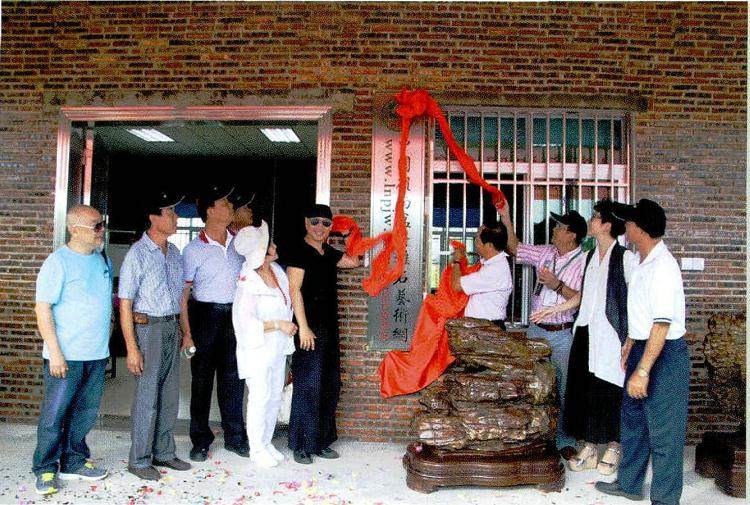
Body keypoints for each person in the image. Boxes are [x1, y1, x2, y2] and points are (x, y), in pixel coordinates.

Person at [531, 199, 635, 474]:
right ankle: (589, 447)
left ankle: (614, 445)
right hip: (586, 332)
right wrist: (554, 308)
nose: (591, 222)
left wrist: (631, 340)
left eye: (596, 218)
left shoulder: (625, 258)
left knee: (611, 391)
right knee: (584, 390)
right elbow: (583, 297)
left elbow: (634, 302)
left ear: (607, 225)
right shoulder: (590, 256)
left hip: (611, 336)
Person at [596, 199, 689, 505]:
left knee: (664, 433)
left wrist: (644, 370)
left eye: (631, 223)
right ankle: (630, 484)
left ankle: (664, 500)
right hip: (642, 347)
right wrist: (630, 344)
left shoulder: (663, 267)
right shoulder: (639, 260)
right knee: (633, 422)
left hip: (664, 356)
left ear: (641, 229)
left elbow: (662, 324)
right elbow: (642, 314)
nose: (627, 227)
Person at [32, 205, 112, 495]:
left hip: (96, 353)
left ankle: (74, 461)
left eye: (102, 224)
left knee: (85, 413)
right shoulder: (58, 262)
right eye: (96, 226)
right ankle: (44, 468)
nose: (101, 230)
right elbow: (43, 309)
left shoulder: (102, 259)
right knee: (55, 416)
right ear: (74, 229)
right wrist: (54, 352)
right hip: (65, 357)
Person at [499, 203, 587, 460]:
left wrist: (557, 285)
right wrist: (506, 217)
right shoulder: (546, 253)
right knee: (532, 386)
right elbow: (514, 248)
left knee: (562, 388)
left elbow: (584, 298)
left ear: (572, 234)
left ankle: (564, 441)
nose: (554, 229)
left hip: (561, 334)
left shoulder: (584, 262)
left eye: (559, 227)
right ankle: (534, 439)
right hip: (536, 331)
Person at [119, 190, 192, 481]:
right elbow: (125, 303)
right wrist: (132, 348)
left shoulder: (174, 253)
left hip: (171, 328)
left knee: (169, 395)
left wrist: (186, 333)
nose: (176, 218)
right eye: (170, 212)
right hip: (147, 329)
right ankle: (139, 459)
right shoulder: (137, 254)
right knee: (147, 396)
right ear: (153, 217)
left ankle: (164, 452)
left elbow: (182, 298)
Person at [285, 204, 360, 464]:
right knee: (307, 386)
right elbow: (294, 290)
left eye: (326, 224)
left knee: (330, 385)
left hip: (329, 328)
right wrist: (303, 327)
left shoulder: (328, 252)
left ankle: (321, 441)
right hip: (308, 329)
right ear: (306, 222)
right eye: (315, 221)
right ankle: (301, 445)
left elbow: (353, 261)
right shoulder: (298, 250)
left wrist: (350, 236)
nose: (320, 227)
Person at [181, 183, 249, 461]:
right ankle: (200, 440)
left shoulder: (241, 244)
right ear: (209, 210)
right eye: (224, 203)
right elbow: (183, 295)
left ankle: (235, 436)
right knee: (202, 382)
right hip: (204, 317)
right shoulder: (193, 250)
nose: (231, 207)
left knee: (234, 379)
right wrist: (187, 333)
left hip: (236, 316)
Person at [232, 221, 297, 467]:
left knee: (273, 396)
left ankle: (267, 441)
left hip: (278, 348)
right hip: (257, 348)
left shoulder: (278, 272)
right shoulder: (248, 280)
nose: (275, 246)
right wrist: (278, 324)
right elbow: (244, 321)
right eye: (270, 245)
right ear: (260, 251)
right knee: (259, 396)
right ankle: (256, 447)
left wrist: (284, 326)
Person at [450, 224, 513, 327]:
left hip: (488, 329)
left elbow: (456, 285)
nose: (475, 244)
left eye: (477, 241)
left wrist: (457, 261)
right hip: (483, 326)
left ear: (489, 245)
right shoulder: (491, 264)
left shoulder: (494, 270)